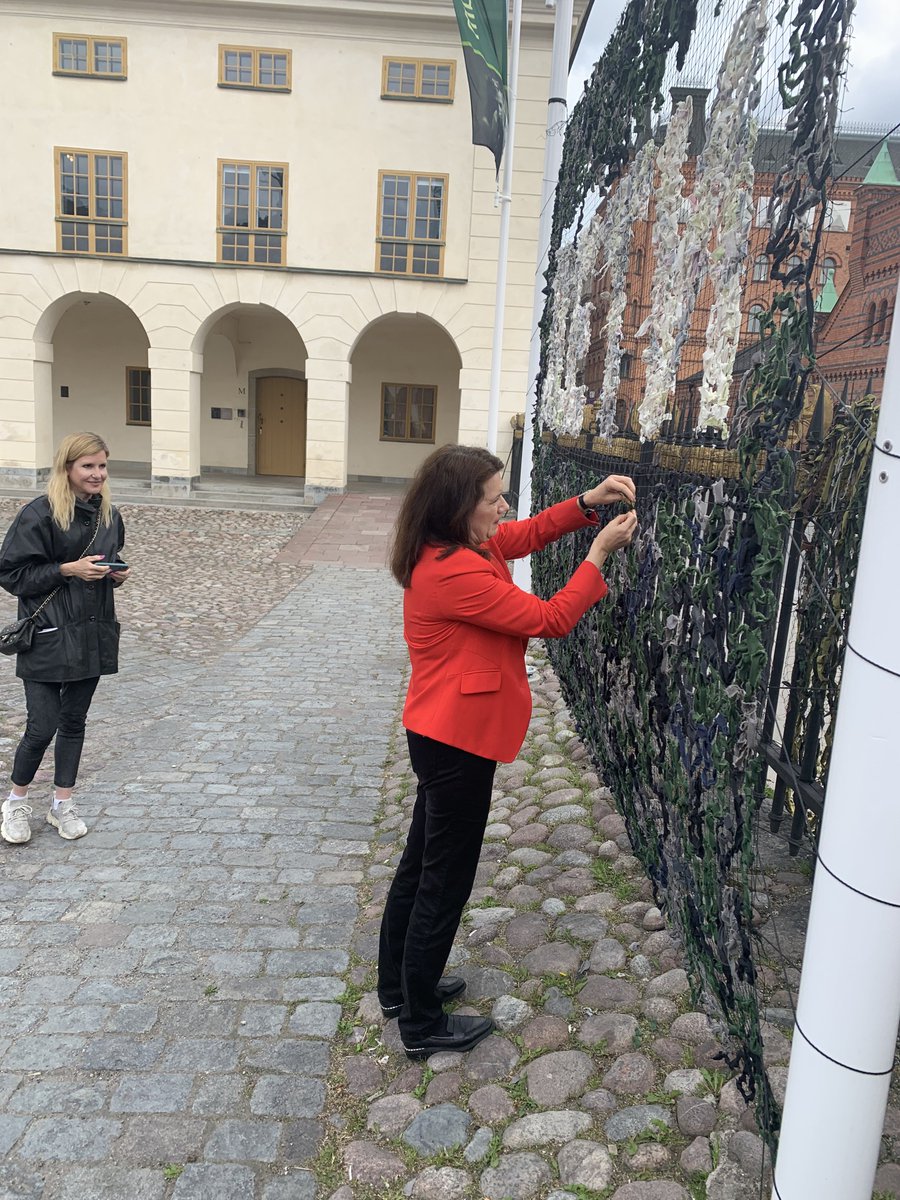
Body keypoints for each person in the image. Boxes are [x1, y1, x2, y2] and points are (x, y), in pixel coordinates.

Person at [377, 444, 638, 1058]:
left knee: (420, 865)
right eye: (493, 497)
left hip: (443, 730)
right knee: (444, 878)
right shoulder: (455, 570)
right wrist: (598, 555)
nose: (503, 506)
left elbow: (519, 535)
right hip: (456, 739)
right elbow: (548, 619)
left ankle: (401, 989)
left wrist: (584, 505)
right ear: (461, 506)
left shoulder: (452, 545)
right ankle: (420, 1025)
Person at [0, 432, 129, 845]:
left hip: (92, 632)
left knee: (74, 722)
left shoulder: (109, 515)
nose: (97, 474)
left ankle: (62, 803)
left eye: (102, 466)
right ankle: (15, 802)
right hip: (47, 635)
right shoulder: (38, 515)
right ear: (68, 468)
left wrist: (117, 574)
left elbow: (106, 563)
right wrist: (65, 569)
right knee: (42, 726)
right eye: (88, 466)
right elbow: (12, 575)